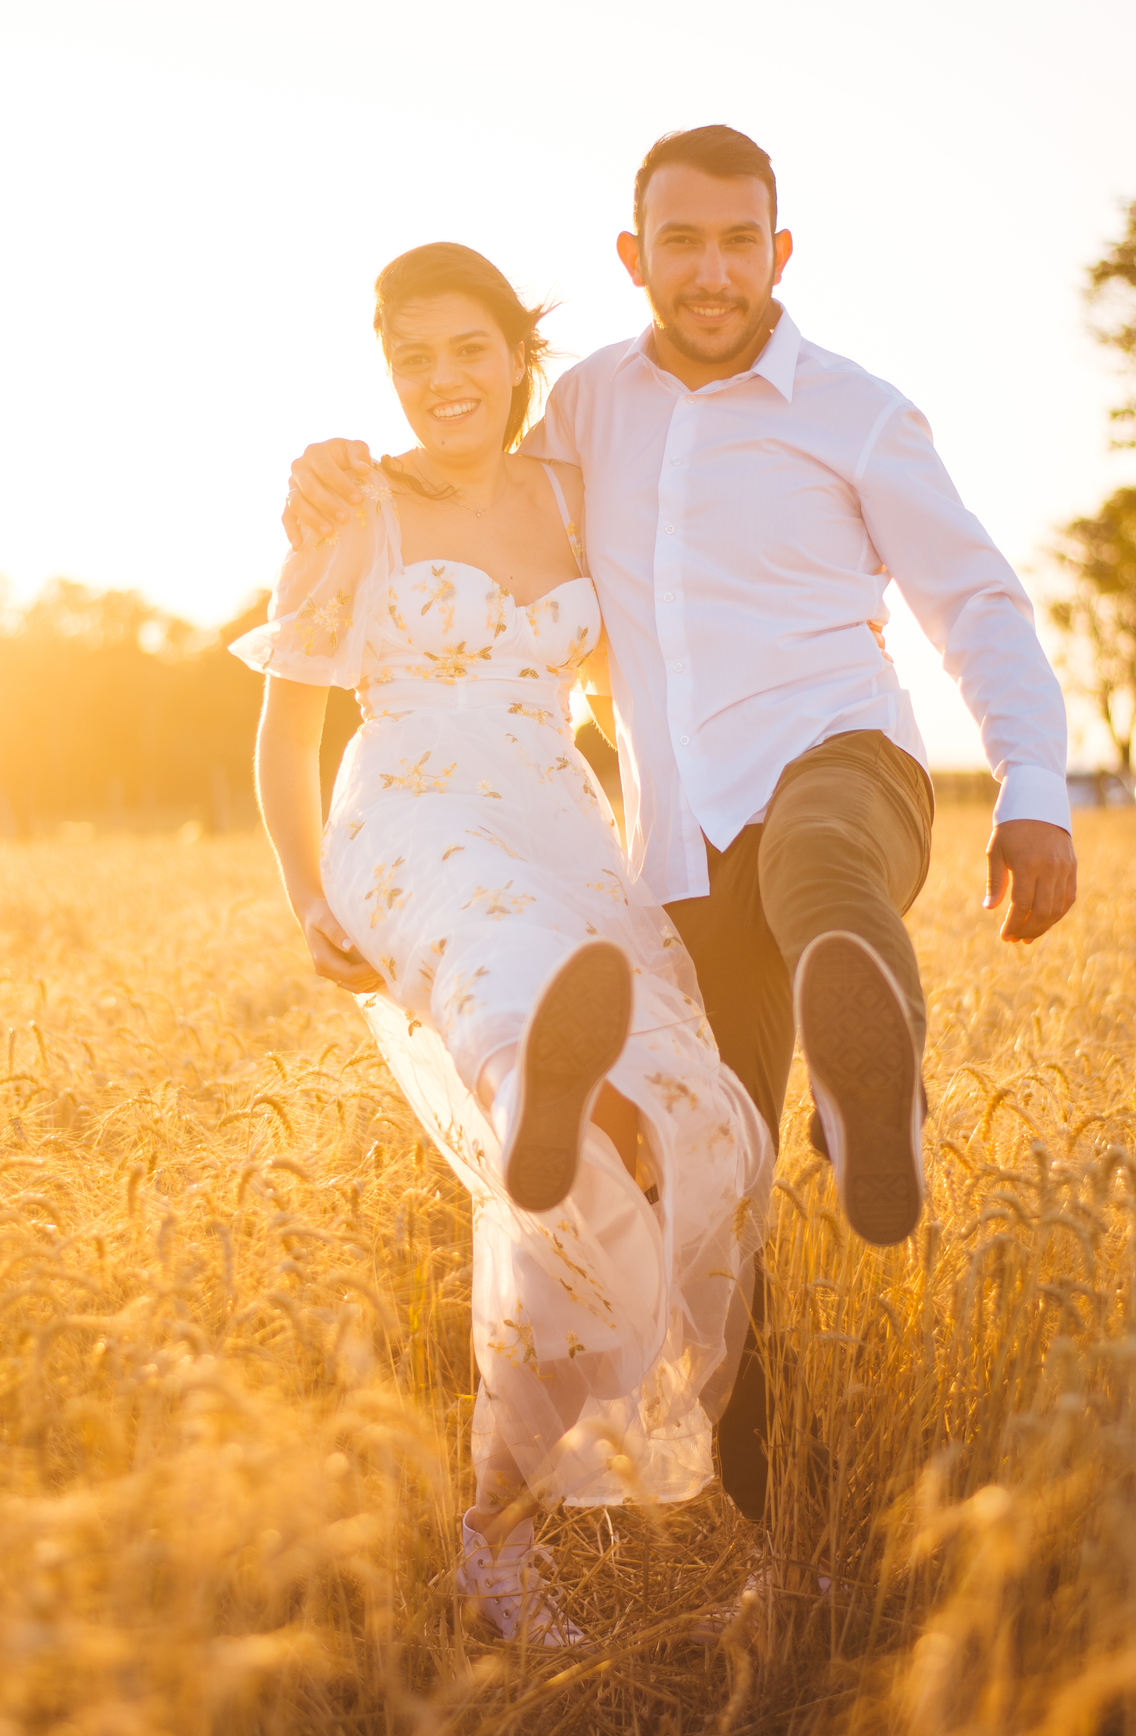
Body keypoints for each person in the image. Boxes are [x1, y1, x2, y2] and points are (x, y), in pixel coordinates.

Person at [283, 125, 1078, 1526]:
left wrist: (1032, 789)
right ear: (633, 256)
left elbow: (976, 600)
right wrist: (332, 470)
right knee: (716, 1173)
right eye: (680, 243)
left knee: (823, 861)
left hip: (840, 754)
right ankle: (747, 1529)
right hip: (678, 846)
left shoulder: (857, 411)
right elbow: (464, 470)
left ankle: (866, 1088)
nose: (710, 272)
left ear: (779, 253)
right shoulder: (588, 410)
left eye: (737, 242)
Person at [231, 241, 772, 1647]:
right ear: (388, 375)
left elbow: (668, 640)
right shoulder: (354, 510)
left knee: (679, 1131)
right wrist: (307, 898)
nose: (439, 380)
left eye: (466, 349)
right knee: (546, 1080)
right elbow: (286, 731)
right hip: (416, 827)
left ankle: (561, 1526)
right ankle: (507, 1543)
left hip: (563, 833)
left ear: (518, 355)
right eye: (412, 358)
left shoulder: (581, 500)